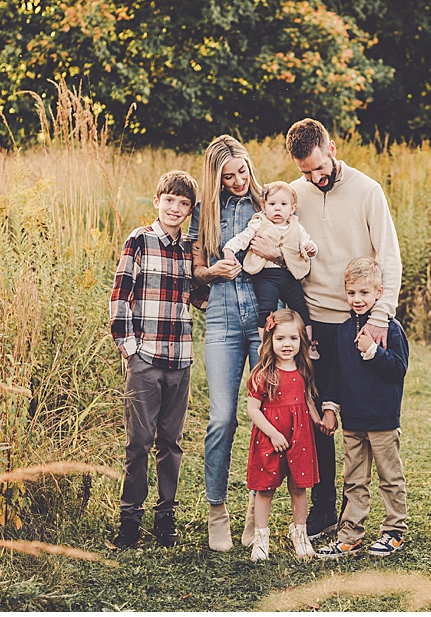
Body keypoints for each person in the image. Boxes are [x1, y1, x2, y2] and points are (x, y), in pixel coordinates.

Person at [252, 118, 402, 539]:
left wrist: (380, 316)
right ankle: (320, 510)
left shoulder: (368, 191)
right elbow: (286, 254)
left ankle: (363, 510)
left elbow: (389, 257)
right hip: (314, 322)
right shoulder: (293, 196)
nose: (314, 178)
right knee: (314, 417)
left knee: (356, 417)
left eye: (320, 167)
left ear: (332, 149)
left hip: (358, 320)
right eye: (305, 172)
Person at [188, 134, 278, 552]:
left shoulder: (270, 202)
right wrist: (214, 273)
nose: (239, 180)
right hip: (223, 319)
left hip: (263, 321)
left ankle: (254, 511)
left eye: (242, 171)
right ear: (216, 177)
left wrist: (273, 255)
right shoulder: (206, 211)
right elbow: (196, 269)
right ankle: (216, 510)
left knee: (268, 416)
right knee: (223, 418)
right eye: (229, 176)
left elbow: (293, 256)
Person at [109, 170, 199, 549]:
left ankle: (166, 518)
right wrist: (130, 350)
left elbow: (196, 297)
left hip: (180, 356)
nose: (175, 208)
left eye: (184, 203)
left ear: (191, 210)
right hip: (145, 357)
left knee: (171, 443)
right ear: (157, 201)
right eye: (169, 200)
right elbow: (119, 298)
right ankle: (130, 519)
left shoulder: (191, 248)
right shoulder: (140, 240)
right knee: (139, 441)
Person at [317, 257, 410, 558]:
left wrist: (372, 351)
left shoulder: (391, 329)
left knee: (389, 477)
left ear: (379, 292)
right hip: (353, 420)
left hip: (382, 418)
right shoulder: (343, 332)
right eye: (352, 293)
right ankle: (350, 534)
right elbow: (335, 374)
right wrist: (331, 407)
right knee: (354, 479)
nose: (358, 299)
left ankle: (394, 530)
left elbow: (398, 369)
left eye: (364, 293)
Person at [244, 309, 322, 561]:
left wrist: (317, 419)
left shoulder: (304, 369)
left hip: (300, 436)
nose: (287, 344)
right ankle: (261, 540)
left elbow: (306, 399)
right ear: (270, 340)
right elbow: (253, 409)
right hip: (270, 437)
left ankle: (300, 535)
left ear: (301, 340)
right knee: (264, 490)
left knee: (299, 488)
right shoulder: (263, 373)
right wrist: (274, 434)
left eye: (293, 338)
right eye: (280, 339)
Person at [222, 181, 319, 358]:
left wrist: (311, 249)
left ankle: (309, 345)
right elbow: (243, 238)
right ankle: (265, 344)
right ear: (263, 206)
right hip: (265, 275)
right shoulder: (259, 223)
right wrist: (229, 249)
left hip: (290, 274)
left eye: (283, 204)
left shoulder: (297, 226)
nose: (277, 209)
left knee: (300, 307)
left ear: (292, 208)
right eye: (272, 204)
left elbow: (306, 243)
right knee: (267, 308)